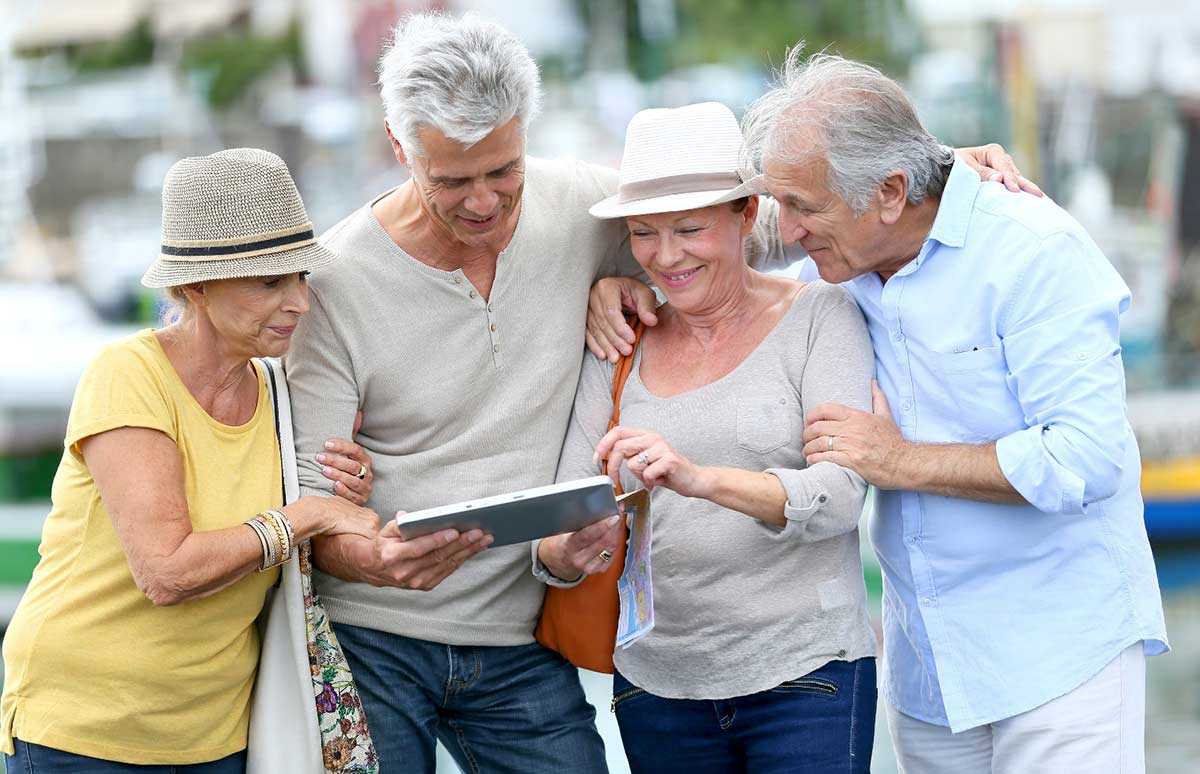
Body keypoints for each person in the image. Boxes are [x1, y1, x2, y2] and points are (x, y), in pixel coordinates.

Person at [285, 11, 1032, 772]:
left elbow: (755, 222)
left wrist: (931, 177)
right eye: (452, 180)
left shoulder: (580, 207)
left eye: (502, 172)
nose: (482, 202)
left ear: (524, 137)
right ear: (396, 145)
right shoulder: (338, 278)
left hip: (516, 637)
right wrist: (372, 559)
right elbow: (317, 495)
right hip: (378, 636)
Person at [735, 52, 1166, 773]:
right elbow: (694, 245)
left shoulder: (1034, 252)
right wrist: (612, 289)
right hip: (928, 669)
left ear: (892, 192)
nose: (789, 228)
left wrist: (896, 460)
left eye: (805, 207)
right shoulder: (837, 261)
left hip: (1065, 660)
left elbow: (1085, 456)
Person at [0, 148, 482, 773]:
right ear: (195, 285)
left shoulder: (282, 391)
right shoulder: (127, 375)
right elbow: (165, 572)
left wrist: (348, 484)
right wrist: (306, 515)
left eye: (302, 278)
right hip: (83, 731)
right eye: (270, 281)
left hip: (219, 735)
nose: (300, 304)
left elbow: (321, 502)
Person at [548, 101, 878, 774]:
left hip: (807, 674)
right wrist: (564, 550)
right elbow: (561, 516)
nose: (665, 257)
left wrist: (695, 479)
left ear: (746, 215)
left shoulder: (821, 315)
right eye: (643, 234)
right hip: (656, 686)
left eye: (689, 229)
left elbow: (842, 496)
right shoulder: (620, 337)